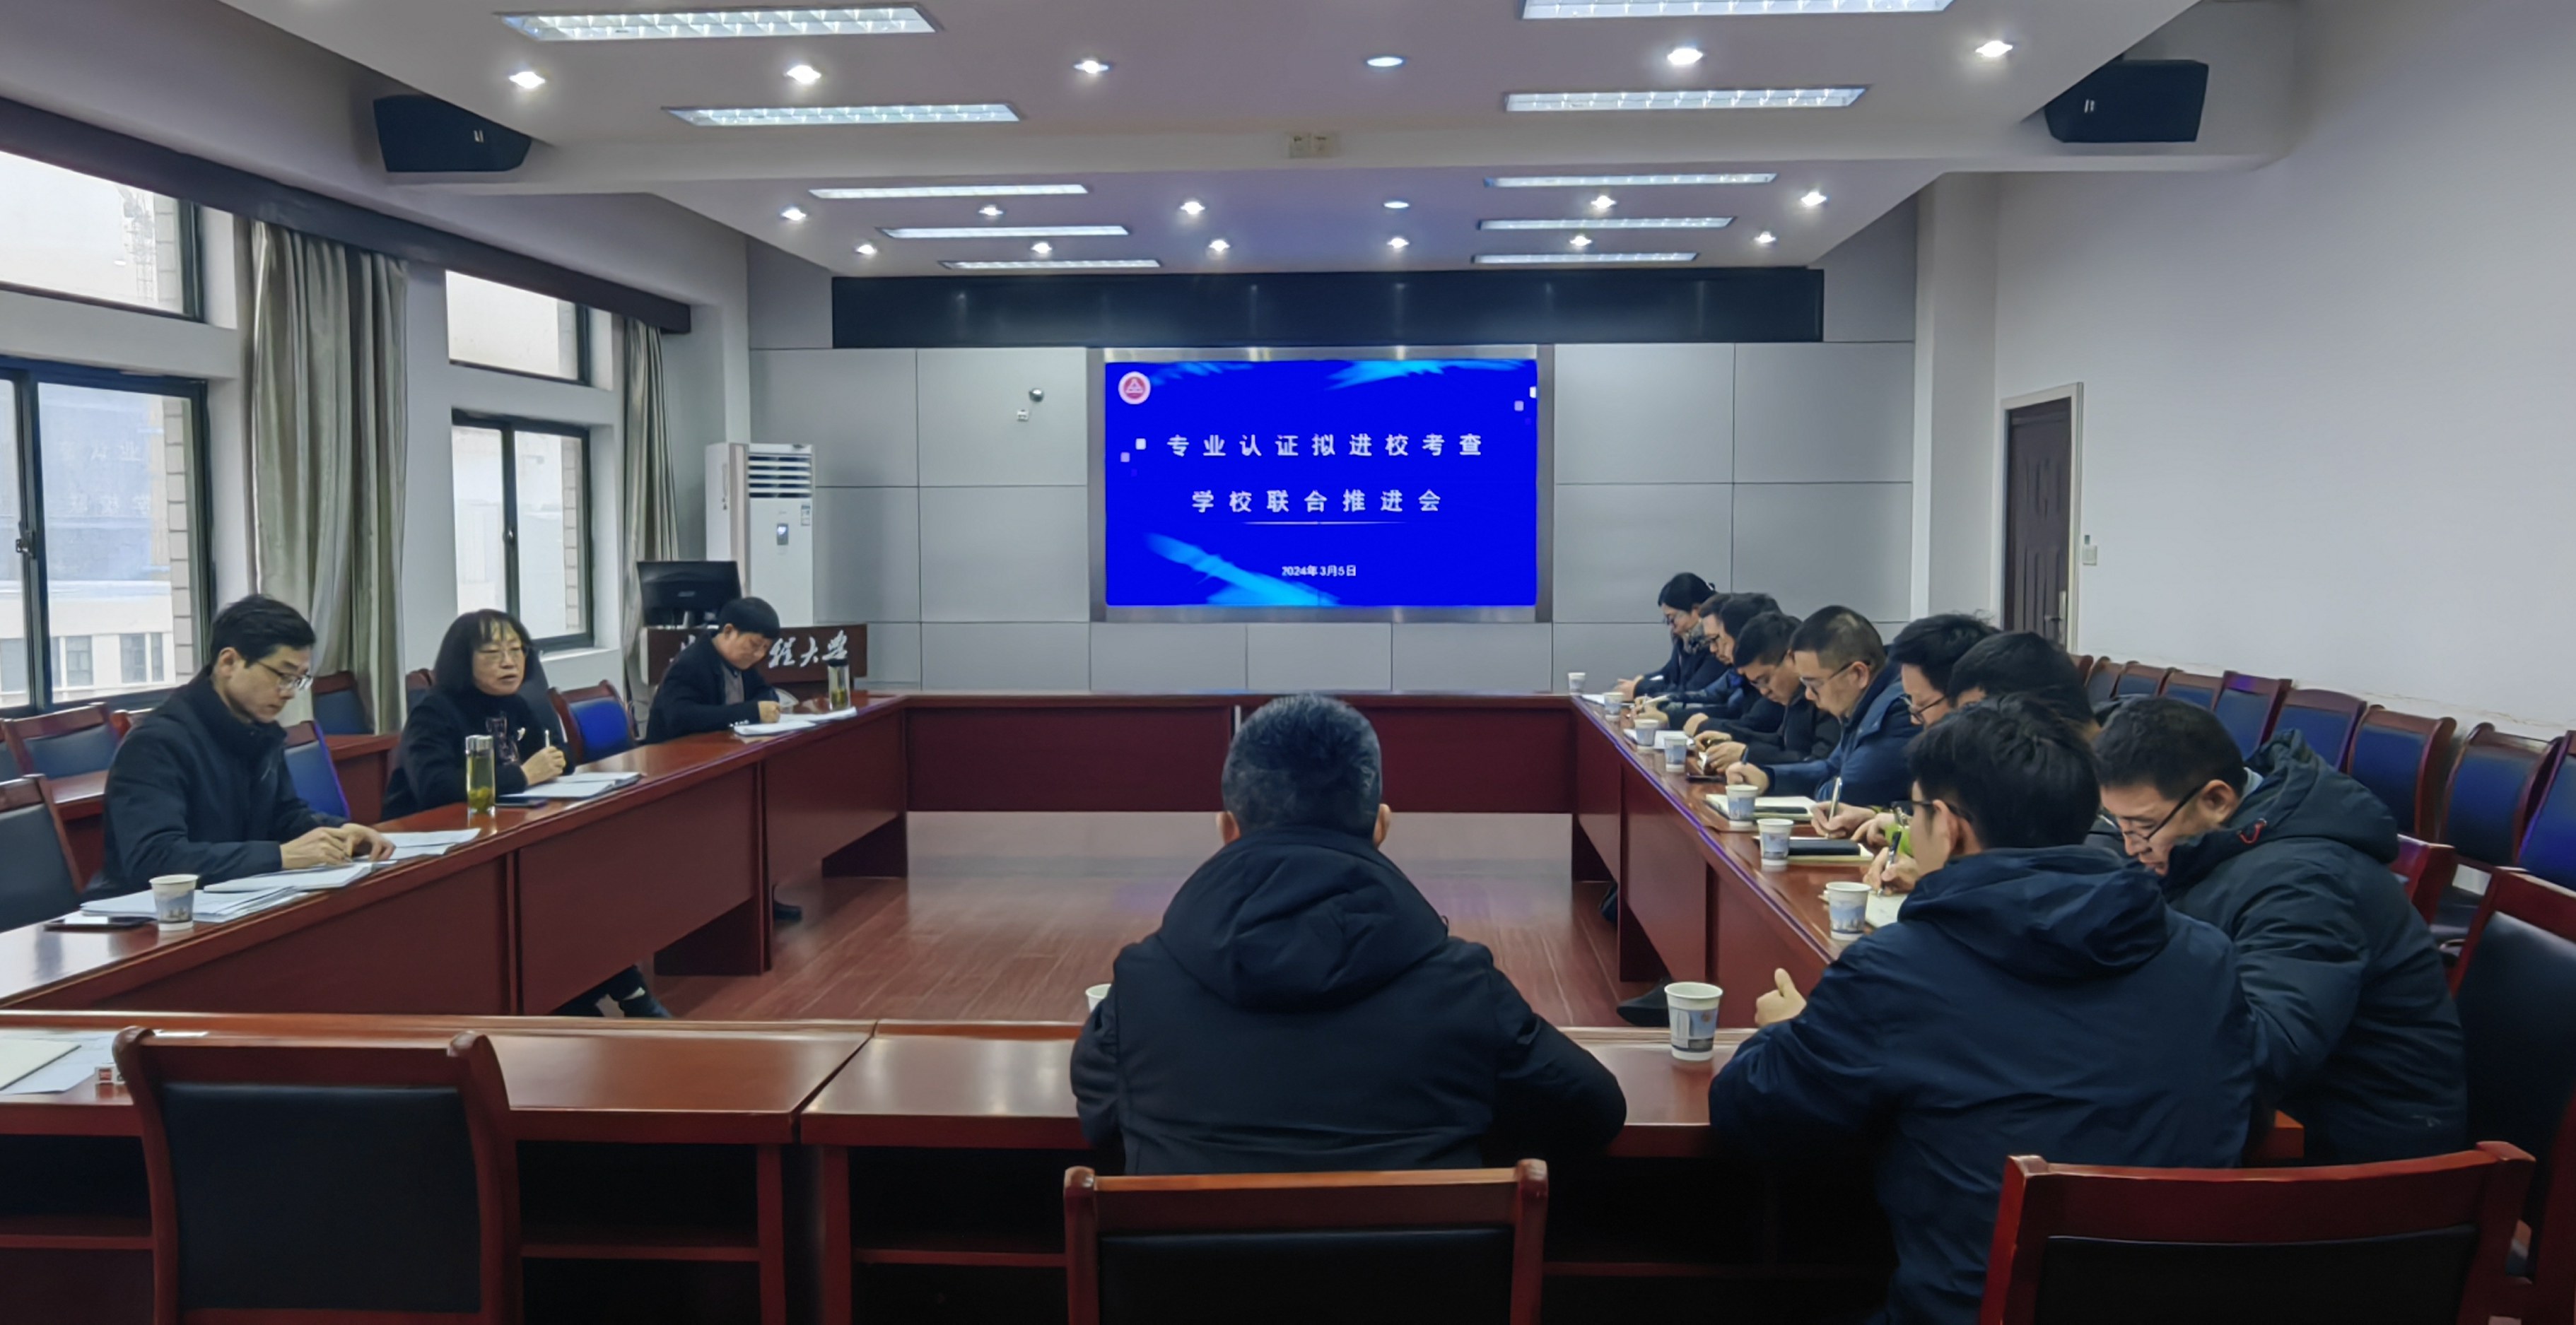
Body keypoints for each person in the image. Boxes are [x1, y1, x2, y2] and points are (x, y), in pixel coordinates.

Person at [1709, 700, 2260, 1325]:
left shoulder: (1900, 969)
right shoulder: (2205, 955)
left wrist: (1788, 1035)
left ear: (1947, 826)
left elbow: (1752, 1116)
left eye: (1913, 812)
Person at [1072, 693, 1627, 1174]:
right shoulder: (1462, 986)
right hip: (1423, 1269)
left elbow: (1101, 1121)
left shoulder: (1142, 988)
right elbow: (1594, 1110)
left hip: (1190, 1270)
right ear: (1380, 826)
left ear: (1227, 829)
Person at [2095, 699, 2466, 1162]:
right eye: (2120, 826)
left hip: (2362, 1152)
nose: (2132, 848)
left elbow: (2270, 1049)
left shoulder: (2307, 885)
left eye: (2144, 828)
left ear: (2216, 800)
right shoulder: (2219, 847)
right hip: (2288, 1114)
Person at [390, 610, 672, 1020]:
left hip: (504, 834)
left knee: (580, 882)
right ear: (462, 660)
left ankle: (590, 995)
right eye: (493, 653)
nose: (509, 662)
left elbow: (558, 754)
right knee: (554, 893)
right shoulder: (435, 711)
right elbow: (437, 789)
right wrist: (523, 774)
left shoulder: (517, 705)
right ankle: (613, 996)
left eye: (517, 651)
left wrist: (555, 759)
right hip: (437, 852)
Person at [98, 595, 393, 894]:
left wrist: (339, 833)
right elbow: (155, 859)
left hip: (239, 900)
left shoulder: (261, 733)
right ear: (229, 663)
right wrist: (280, 857)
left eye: (298, 680)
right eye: (283, 675)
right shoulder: (155, 744)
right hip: (158, 914)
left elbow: (284, 816)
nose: (289, 693)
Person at [1857, 630, 2124, 887]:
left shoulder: (2122, 792)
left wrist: (1948, 881)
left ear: (2022, 714)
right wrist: (1901, 828)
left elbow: (2055, 889)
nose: (1965, 729)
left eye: (1979, 715)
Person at [644, 595, 802, 922]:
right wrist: (751, 711)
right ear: (728, 631)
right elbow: (681, 717)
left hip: (721, 760)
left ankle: (759, 898)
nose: (759, 656)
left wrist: (762, 704)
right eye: (754, 646)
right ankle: (719, 907)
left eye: (765, 650)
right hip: (677, 768)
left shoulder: (742, 665)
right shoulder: (692, 665)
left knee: (765, 814)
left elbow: (765, 692)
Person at [1723, 607, 1916, 812]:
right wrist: (1769, 778)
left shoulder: (1898, 711)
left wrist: (1820, 788)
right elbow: (1831, 768)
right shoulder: (1863, 704)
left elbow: (1847, 791)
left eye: (1814, 685)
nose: (1808, 695)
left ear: (1858, 674)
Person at [1685, 612, 1839, 770]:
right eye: (1756, 684)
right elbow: (1780, 742)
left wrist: (1747, 754)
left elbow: (1818, 765)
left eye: (1766, 680)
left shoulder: (1825, 697)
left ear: (1791, 658)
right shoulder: (1794, 695)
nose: (1764, 692)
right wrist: (1730, 739)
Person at [1613, 573, 1720, 700]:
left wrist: (1639, 689)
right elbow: (1668, 674)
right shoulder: (1685, 640)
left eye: (1672, 618)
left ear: (1697, 610)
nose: (1672, 626)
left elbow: (1691, 692)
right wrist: (1642, 680)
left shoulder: (1717, 647)